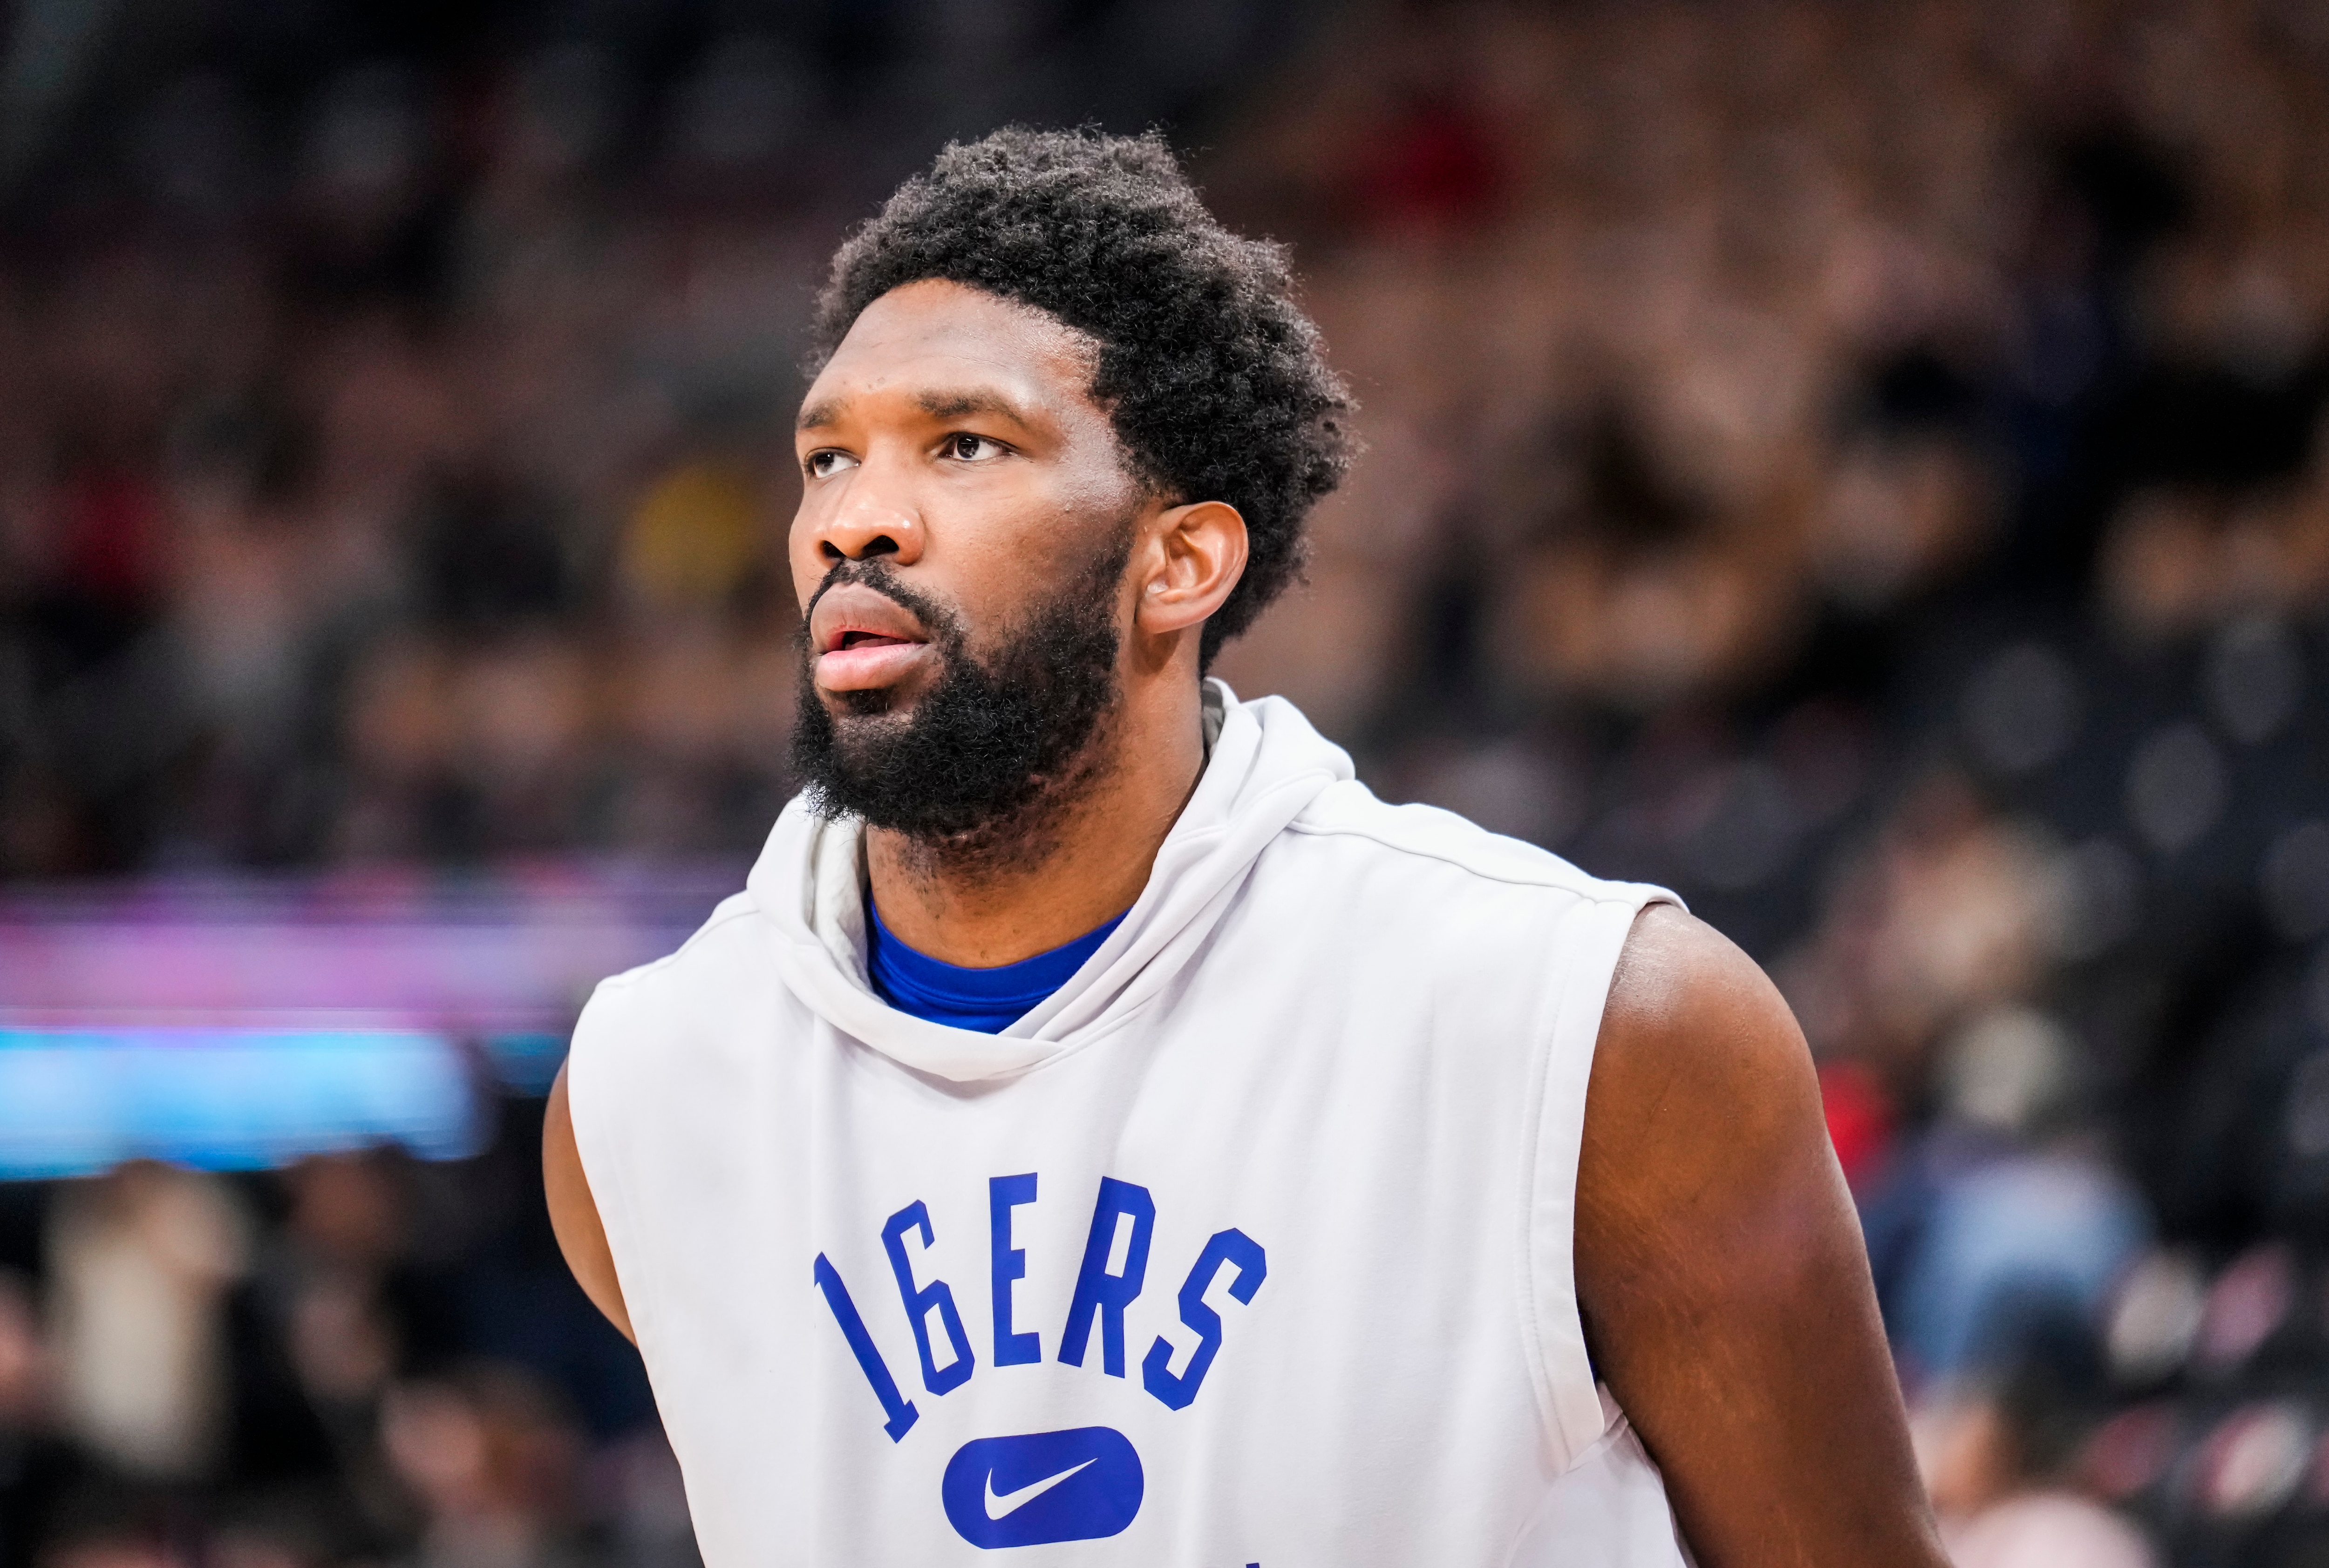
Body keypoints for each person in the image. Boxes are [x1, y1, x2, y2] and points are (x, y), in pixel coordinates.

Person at [542, 127, 1948, 1566]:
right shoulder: (645, 1093)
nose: (856, 520)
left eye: (963, 445)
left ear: (1182, 562)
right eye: (826, 457)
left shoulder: (1588, 1025)